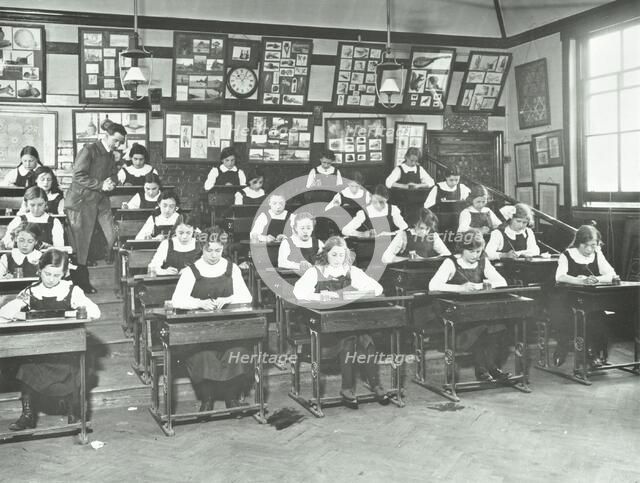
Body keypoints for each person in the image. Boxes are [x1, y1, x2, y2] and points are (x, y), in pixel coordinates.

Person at [0, 249, 100, 430]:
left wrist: (74, 311)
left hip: (66, 351)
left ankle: (74, 412)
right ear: (40, 270)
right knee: (25, 366)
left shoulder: (71, 290)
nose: (51, 279)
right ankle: (28, 415)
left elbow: (95, 312)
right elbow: (3, 313)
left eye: (57, 275)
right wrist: (18, 313)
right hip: (37, 351)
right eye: (47, 274)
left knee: (77, 365)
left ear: (64, 273)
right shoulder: (31, 292)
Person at [293, 236, 387, 407]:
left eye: (342, 255)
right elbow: (298, 293)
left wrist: (358, 294)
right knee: (349, 339)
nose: (338, 259)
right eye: (334, 255)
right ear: (326, 254)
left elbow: (377, 288)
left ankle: (375, 384)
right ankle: (347, 388)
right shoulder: (316, 271)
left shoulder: (353, 271)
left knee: (366, 340)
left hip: (347, 321)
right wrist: (320, 295)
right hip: (322, 323)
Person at [170, 228, 253, 410]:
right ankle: (207, 399)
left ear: (223, 248)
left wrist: (228, 299)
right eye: (209, 250)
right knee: (203, 356)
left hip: (227, 329)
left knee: (236, 352)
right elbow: (176, 300)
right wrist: (199, 303)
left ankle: (231, 397)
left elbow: (246, 297)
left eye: (218, 250)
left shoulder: (232, 268)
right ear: (202, 249)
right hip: (199, 332)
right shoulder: (191, 271)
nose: (214, 255)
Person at [429, 228, 510, 382]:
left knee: (498, 326)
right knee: (480, 326)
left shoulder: (483, 261)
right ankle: (482, 369)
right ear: (462, 249)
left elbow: (502, 282)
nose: (475, 255)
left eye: (479, 251)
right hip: (454, 313)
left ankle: (491, 367)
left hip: (477, 309)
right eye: (471, 251)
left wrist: (480, 285)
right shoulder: (451, 262)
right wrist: (460, 288)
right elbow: (433, 286)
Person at [65, 119, 126, 293]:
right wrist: (100, 185)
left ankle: (117, 281)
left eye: (121, 142)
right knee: (81, 246)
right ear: (106, 136)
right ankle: (81, 284)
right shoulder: (89, 150)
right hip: (81, 202)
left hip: (100, 201)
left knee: (113, 235)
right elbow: (78, 175)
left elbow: (113, 175)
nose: (118, 144)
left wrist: (112, 182)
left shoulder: (110, 154)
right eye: (116, 140)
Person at [553, 225, 617, 368]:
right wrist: (580, 280)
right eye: (586, 246)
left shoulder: (597, 254)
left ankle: (592, 353)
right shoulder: (567, 255)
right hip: (568, 298)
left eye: (593, 245)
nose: (589, 249)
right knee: (565, 318)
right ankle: (562, 347)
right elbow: (560, 276)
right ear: (578, 243)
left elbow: (611, 274)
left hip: (590, 300)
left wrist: (596, 279)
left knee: (598, 318)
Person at [382, 208, 450, 264]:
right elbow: (385, 258)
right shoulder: (403, 235)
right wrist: (408, 259)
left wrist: (423, 260)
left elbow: (447, 255)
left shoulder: (433, 236)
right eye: (422, 228)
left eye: (428, 229)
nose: (425, 232)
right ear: (415, 224)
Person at [385, 147, 434, 224]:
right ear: (406, 157)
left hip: (417, 204)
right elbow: (388, 183)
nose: (413, 163)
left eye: (416, 161)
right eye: (411, 160)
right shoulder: (399, 169)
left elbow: (431, 182)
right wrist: (405, 186)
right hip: (402, 204)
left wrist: (418, 186)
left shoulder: (419, 169)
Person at [341, 185, 407, 238]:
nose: (378, 205)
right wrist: (362, 234)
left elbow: (404, 227)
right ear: (370, 198)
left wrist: (391, 234)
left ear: (386, 199)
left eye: (381, 202)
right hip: (371, 246)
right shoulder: (364, 213)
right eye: (375, 202)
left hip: (391, 244)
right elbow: (345, 230)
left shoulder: (393, 210)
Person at [423, 166, 469, 237]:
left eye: (456, 180)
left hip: (456, 222)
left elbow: (470, 203)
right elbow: (426, 207)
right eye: (451, 180)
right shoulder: (437, 188)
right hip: (440, 223)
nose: (454, 183)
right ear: (446, 177)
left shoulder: (462, 188)